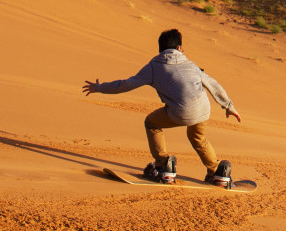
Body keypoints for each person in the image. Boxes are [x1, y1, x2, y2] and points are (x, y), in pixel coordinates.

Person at [83, 28, 241, 187]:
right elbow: (213, 84)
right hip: (203, 109)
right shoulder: (191, 65)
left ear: (161, 47)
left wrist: (100, 88)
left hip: (180, 111)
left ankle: (163, 165)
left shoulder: (153, 66)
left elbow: (126, 84)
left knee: (151, 123)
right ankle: (216, 172)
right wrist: (228, 106)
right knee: (197, 137)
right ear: (179, 48)